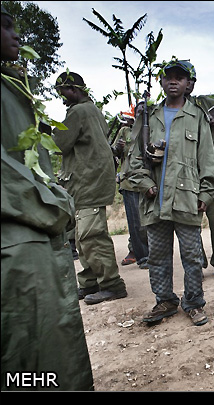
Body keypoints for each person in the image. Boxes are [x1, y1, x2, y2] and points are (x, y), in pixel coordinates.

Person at [1, 5, 93, 390]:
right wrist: (55, 203)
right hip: (22, 235)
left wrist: (55, 203)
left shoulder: (74, 110)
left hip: (33, 227)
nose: (16, 35)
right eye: (5, 27)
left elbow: (53, 146)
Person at [127, 58, 214, 326]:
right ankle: (165, 301)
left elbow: (208, 161)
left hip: (187, 198)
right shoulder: (149, 117)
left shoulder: (197, 119)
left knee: (192, 255)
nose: (173, 81)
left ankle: (193, 302)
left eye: (179, 77)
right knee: (157, 255)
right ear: (161, 81)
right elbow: (133, 160)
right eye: (168, 76)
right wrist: (146, 184)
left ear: (188, 84)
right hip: (155, 199)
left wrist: (205, 195)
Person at [53, 71, 128, 305]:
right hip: (88, 181)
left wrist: (46, 130)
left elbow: (59, 144)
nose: (61, 96)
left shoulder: (77, 112)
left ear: (73, 90)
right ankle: (89, 282)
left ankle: (112, 284)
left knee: (91, 234)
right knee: (81, 234)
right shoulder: (94, 110)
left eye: (62, 91)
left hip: (89, 182)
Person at [183, 61, 214, 279]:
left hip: (212, 173)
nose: (188, 85)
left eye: (190, 80)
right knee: (191, 223)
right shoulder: (169, 110)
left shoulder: (203, 104)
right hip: (187, 174)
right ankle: (198, 263)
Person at [112, 109, 150, 269]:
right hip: (129, 181)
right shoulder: (124, 131)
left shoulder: (149, 128)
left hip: (147, 180)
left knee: (149, 221)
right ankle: (142, 256)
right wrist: (119, 148)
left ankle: (151, 254)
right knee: (136, 223)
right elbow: (113, 151)